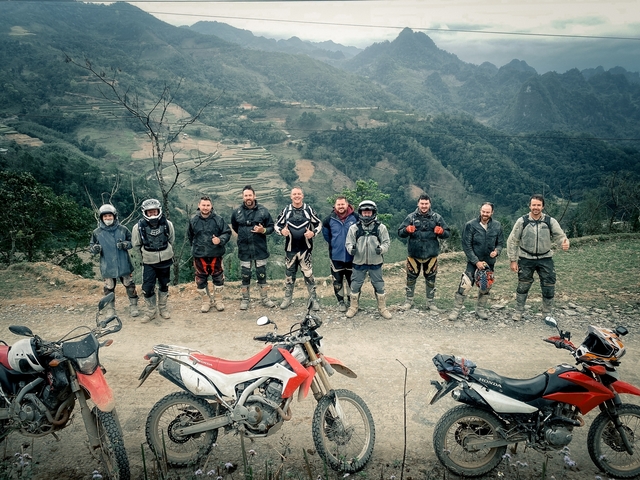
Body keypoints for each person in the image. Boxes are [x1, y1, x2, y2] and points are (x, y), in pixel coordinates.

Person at [507, 194, 570, 321]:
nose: (536, 207)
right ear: (530, 206)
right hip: (525, 258)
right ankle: (518, 311)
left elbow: (559, 236)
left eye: (538, 205)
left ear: (543, 206)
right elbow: (513, 240)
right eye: (534, 205)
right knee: (523, 285)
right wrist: (513, 260)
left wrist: (564, 242)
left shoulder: (550, 221)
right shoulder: (522, 221)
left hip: (545, 258)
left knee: (549, 285)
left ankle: (546, 313)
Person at [448, 202, 504, 321]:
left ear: (492, 212)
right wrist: (476, 261)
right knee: (465, 284)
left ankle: (480, 309)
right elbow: (466, 245)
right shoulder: (470, 225)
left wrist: (497, 251)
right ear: (480, 211)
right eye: (483, 211)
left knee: (486, 286)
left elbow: (500, 243)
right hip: (473, 261)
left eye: (487, 212)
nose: (485, 214)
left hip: (489, 262)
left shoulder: (497, 225)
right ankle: (456, 310)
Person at [397, 194, 450, 311]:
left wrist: (441, 231)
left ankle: (430, 303)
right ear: (418, 204)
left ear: (430, 204)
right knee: (410, 278)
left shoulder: (437, 218)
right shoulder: (410, 217)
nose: (424, 206)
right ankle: (408, 301)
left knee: (431, 279)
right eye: (422, 203)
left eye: (426, 204)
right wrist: (406, 230)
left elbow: (447, 233)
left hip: (431, 254)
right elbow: (400, 232)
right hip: (413, 254)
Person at [274, 187, 323, 310]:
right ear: (291, 196)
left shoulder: (308, 209)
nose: (296, 196)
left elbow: (319, 223)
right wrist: (282, 231)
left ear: (302, 196)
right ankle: (287, 298)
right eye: (294, 194)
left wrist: (313, 233)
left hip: (305, 249)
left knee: (309, 275)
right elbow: (276, 225)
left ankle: (313, 299)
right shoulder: (286, 210)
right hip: (290, 250)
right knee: (289, 275)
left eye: (299, 194)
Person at [89, 204, 139, 318]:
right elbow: (91, 247)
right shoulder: (97, 232)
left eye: (109, 216)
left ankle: (134, 306)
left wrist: (125, 244)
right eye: (105, 216)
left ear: (114, 216)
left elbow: (132, 242)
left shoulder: (123, 229)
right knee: (109, 288)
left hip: (124, 264)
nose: (107, 218)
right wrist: (95, 249)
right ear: (101, 218)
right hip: (107, 265)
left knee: (129, 285)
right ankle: (110, 309)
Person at [230, 185, 276, 310]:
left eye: (250, 195)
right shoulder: (237, 212)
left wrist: (263, 230)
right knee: (245, 275)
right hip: (244, 249)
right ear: (243, 197)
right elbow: (235, 227)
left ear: (254, 196)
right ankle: (245, 299)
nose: (248, 198)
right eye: (246, 195)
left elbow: (271, 227)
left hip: (259, 248)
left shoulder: (263, 211)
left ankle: (265, 298)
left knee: (261, 274)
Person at [344, 200, 391, 319]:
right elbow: (348, 243)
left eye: (369, 212)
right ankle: (353, 307)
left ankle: (382, 308)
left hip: (376, 261)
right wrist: (351, 249)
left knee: (379, 285)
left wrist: (381, 249)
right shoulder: (354, 228)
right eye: (364, 212)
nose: (366, 214)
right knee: (355, 285)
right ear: (360, 213)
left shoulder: (381, 228)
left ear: (373, 213)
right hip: (358, 262)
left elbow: (386, 243)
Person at [132, 198, 175, 323]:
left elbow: (171, 240)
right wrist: (145, 257)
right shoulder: (138, 227)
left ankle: (163, 308)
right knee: (147, 287)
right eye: (149, 212)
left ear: (159, 210)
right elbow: (136, 245)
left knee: (164, 284)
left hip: (165, 260)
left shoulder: (168, 224)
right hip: (149, 262)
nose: (153, 214)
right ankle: (150, 311)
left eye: (155, 211)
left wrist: (165, 253)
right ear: (145, 212)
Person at [188, 195, 232, 313]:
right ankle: (206, 301)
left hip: (215, 254)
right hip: (199, 255)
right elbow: (190, 236)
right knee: (201, 279)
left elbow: (227, 233)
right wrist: (196, 248)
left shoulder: (218, 219)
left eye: (208, 205)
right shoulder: (193, 220)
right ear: (199, 206)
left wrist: (220, 240)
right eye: (203, 205)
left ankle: (218, 300)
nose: (205, 207)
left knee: (218, 278)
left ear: (211, 206)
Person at [322, 196, 358, 312]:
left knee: (352, 280)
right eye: (339, 205)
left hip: (352, 255)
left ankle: (352, 302)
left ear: (347, 205)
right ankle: (341, 302)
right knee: (337, 281)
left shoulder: (356, 217)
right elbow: (327, 236)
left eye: (343, 204)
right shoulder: (329, 220)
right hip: (336, 256)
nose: (341, 207)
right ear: (335, 206)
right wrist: (336, 244)